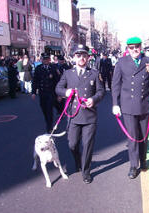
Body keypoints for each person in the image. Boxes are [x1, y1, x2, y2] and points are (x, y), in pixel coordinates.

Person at [111, 37, 149, 179]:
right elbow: (116, 85)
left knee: (144, 136)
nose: (134, 50)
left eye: (137, 47)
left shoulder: (148, 62)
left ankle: (143, 160)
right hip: (128, 106)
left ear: (141, 47)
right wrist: (115, 104)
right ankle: (134, 165)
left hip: (145, 104)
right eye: (131, 47)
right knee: (132, 137)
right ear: (128, 48)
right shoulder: (121, 62)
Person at [56, 44, 105, 184]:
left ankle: (86, 170)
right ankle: (78, 161)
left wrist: (93, 100)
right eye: (78, 55)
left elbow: (101, 92)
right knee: (72, 144)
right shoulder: (68, 73)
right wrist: (65, 92)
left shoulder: (94, 73)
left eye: (84, 55)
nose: (81, 58)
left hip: (89, 116)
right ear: (74, 57)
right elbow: (58, 88)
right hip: (73, 116)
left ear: (88, 57)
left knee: (88, 144)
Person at [32, 53, 61, 133]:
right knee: (44, 110)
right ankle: (48, 123)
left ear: (49, 60)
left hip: (51, 93)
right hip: (42, 93)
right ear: (42, 60)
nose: (46, 61)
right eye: (44, 59)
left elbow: (58, 81)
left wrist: (59, 94)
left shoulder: (53, 68)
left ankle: (49, 127)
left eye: (47, 59)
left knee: (49, 110)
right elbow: (35, 81)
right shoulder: (38, 68)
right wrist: (33, 92)